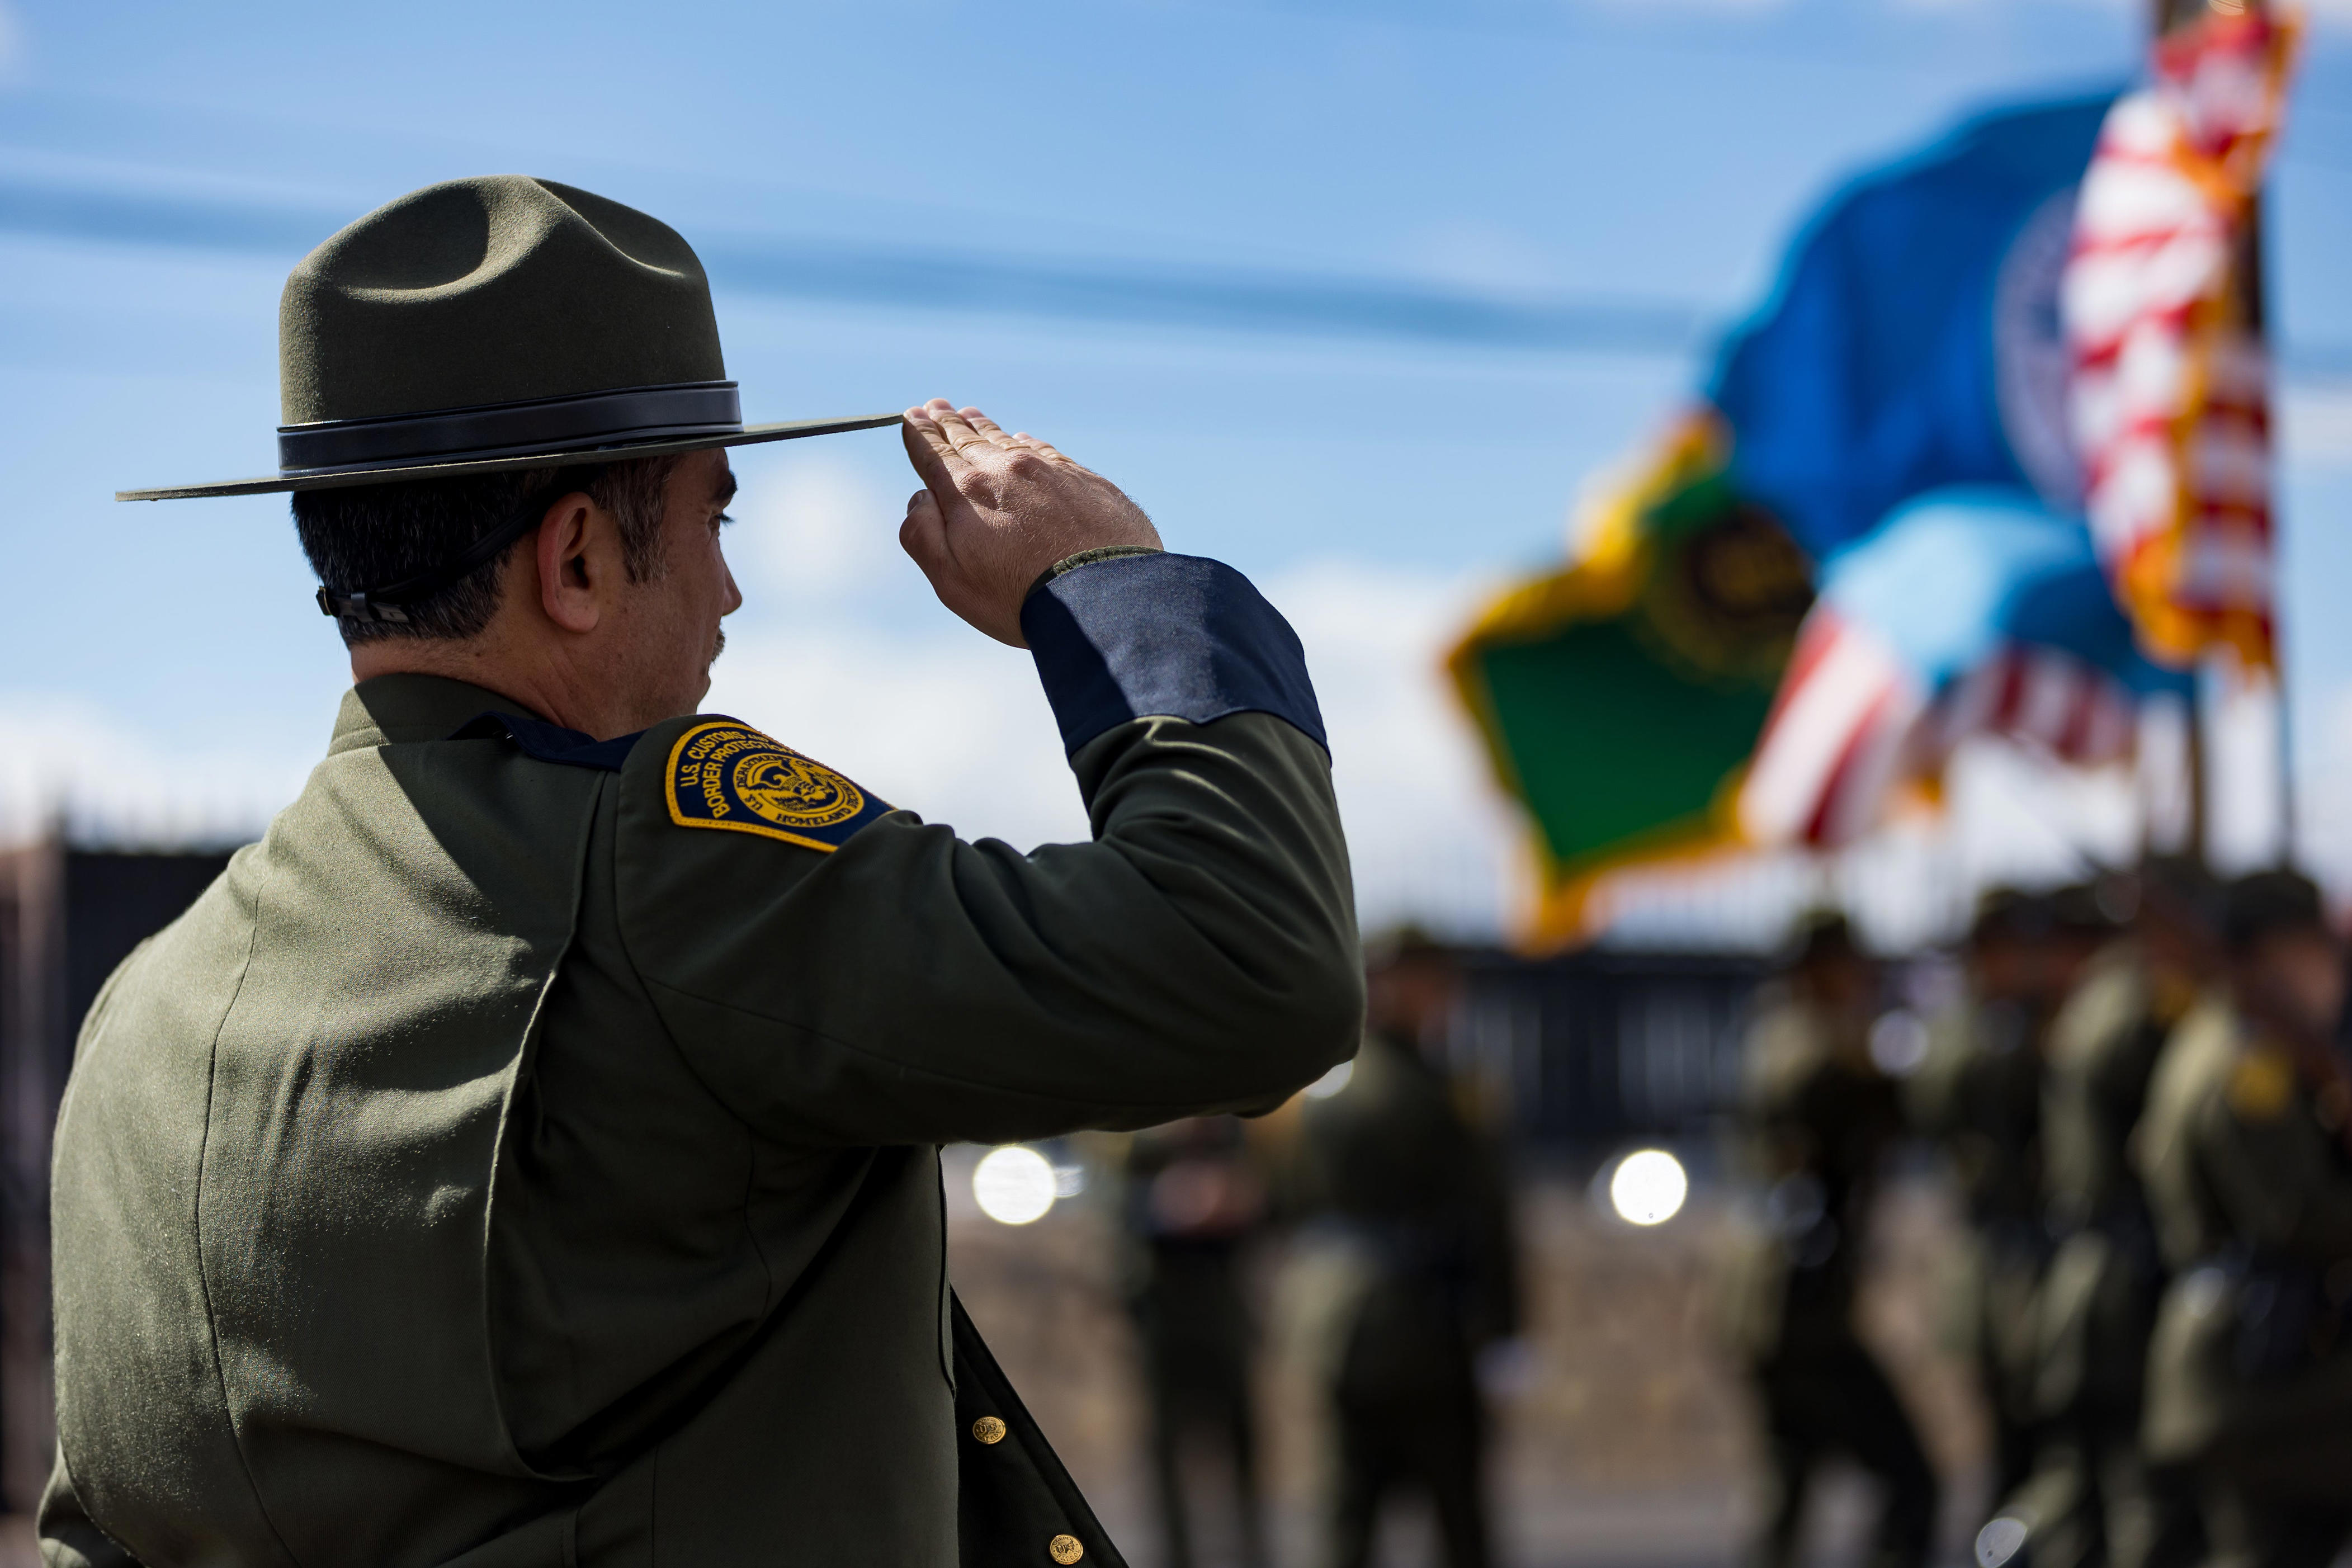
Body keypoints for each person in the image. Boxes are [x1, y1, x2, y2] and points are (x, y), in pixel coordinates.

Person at [46, 177, 1362, 1565]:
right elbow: (1247, 962)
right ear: (574, 560)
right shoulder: (667, 865)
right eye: (712, 523)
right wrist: (1105, 584)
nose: (729, 594)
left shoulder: (144, 1012)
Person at [1982, 862, 2216, 1568]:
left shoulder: (2097, 1001)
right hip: (2124, 1285)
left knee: (2083, 1485)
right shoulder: (2139, 1004)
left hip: (2091, 1280)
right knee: (2141, 1494)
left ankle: (1999, 1551)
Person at [2136, 871, 2352, 1568]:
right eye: (2316, 953)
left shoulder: (2222, 1039)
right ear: (2273, 954)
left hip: (2245, 1363)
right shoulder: (2249, 1061)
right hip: (2263, 1370)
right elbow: (2297, 1214)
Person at [1292, 930, 1517, 1568]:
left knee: (1373, 1510)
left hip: (1373, 1324)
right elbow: (1487, 1211)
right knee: (1414, 1509)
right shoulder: (1410, 1089)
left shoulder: (1330, 1087)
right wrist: (1503, 1329)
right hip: (1406, 1326)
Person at [1726, 913, 1938, 1568]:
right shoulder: (1796, 1037)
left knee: (1792, 1485)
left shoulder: (1807, 1035)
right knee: (1912, 1480)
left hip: (1790, 1304)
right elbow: (1818, 1084)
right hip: (1793, 1307)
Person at [1911, 887, 2059, 1508]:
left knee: (2047, 1454)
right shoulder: (1967, 1035)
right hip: (1997, 1261)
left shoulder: (2025, 1020)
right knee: (2013, 1454)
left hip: (2041, 1262)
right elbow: (1944, 1097)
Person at [1117, 1116, 1272, 1568]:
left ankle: (1252, 1546)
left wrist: (1239, 1203)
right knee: (1167, 1444)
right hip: (1165, 1317)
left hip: (1221, 1311)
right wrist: (1169, 1206)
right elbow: (1123, 1224)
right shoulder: (1144, 1149)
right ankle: (1176, 1553)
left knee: (1240, 1436)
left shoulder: (1232, 1139)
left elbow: (1270, 1207)